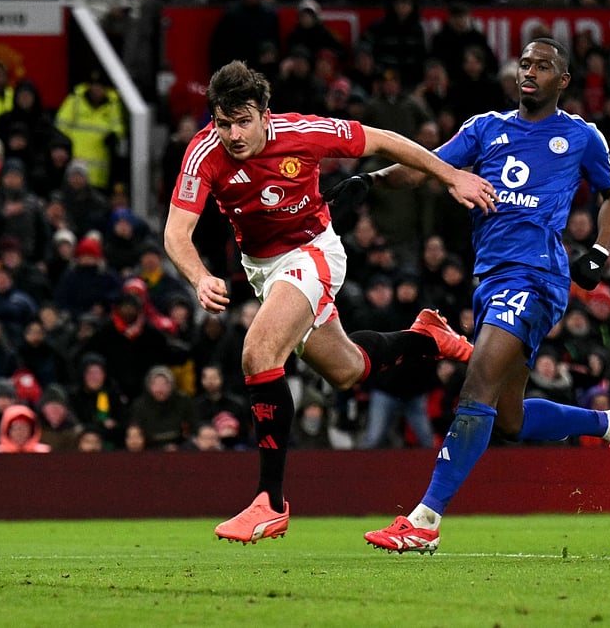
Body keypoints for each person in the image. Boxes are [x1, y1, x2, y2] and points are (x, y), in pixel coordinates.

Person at [163, 59, 497, 544]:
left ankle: (269, 503)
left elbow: (383, 139)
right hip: (263, 268)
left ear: (265, 114)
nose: (233, 134)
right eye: (223, 122)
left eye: (243, 121)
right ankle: (426, 338)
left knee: (258, 354)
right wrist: (197, 275)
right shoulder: (204, 154)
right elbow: (176, 232)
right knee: (347, 370)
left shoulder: (305, 132)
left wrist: (450, 176)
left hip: (313, 251)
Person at [362, 38, 610, 554]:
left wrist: (600, 252)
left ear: (564, 81)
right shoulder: (484, 128)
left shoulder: (581, 137)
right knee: (507, 419)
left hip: (536, 276)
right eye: (526, 63)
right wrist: (370, 179)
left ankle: (424, 521)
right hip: (490, 278)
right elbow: (424, 166)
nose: (529, 71)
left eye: (544, 66)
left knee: (476, 389)